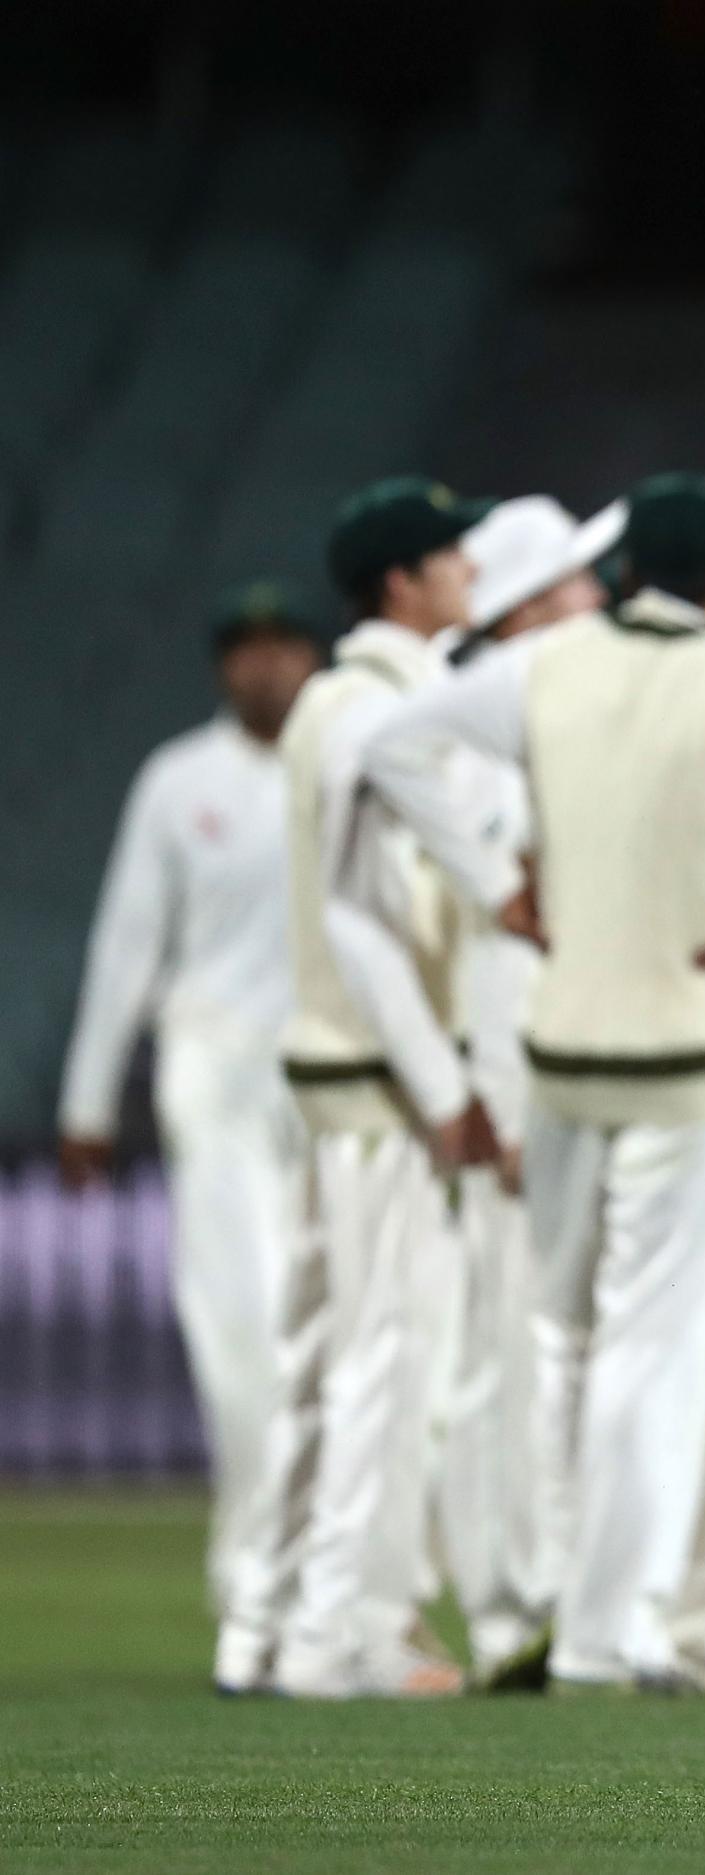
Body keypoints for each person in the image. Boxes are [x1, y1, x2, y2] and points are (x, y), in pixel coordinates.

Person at [354, 471, 705, 1692]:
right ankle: (609, 1630)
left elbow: (396, 745)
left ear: (629, 572)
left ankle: (557, 1602)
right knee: (664, 1349)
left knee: (566, 1337)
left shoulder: (546, 668)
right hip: (692, 1058)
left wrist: (492, 884)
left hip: (565, 1050)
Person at [56, 580, 322, 1695]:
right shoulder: (180, 780)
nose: (261, 668)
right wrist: (87, 1098)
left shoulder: (345, 759)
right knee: (241, 1333)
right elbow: (129, 942)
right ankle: (254, 1580)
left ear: (312, 656)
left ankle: (324, 1578)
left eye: (280, 648)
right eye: (243, 650)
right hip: (213, 1070)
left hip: (327, 1072)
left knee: (339, 1336)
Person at [269, 478, 502, 1699]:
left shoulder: (340, 696)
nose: (469, 572)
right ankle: (338, 1636)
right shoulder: (370, 708)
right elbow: (361, 921)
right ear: (403, 584)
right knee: (384, 1356)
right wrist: (441, 1081)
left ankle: (282, 1623)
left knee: (338, 1351)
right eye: (451, 557)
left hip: (347, 1066)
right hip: (377, 1073)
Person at [428, 494, 624, 1691]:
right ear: (530, 613)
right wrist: (496, 1094)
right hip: (514, 1086)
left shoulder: (516, 732)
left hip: (542, 1073)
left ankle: (542, 1593)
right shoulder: (479, 752)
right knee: (505, 1347)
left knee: (532, 1344)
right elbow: (483, 946)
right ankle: (512, 1607)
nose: (596, 603)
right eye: (578, 586)